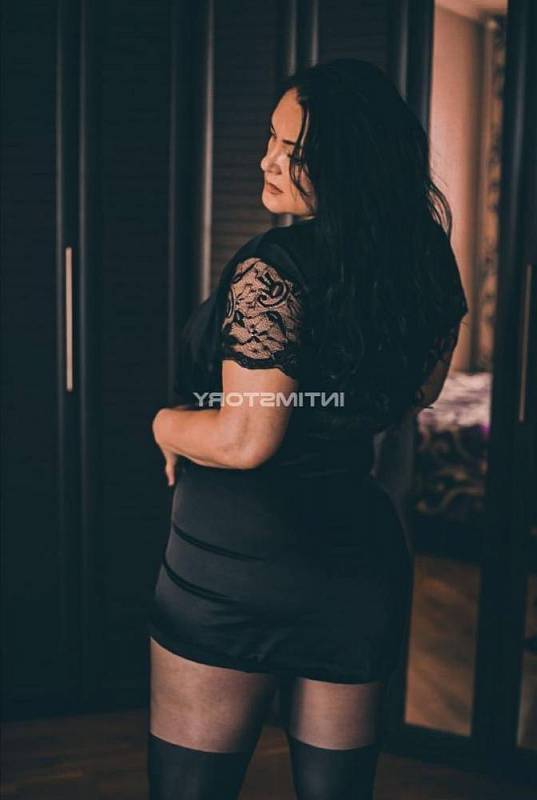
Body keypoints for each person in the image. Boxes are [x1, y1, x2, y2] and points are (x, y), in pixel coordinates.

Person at [146, 58, 469, 799]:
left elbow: (244, 441)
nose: (268, 159)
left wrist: (166, 424)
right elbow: (418, 394)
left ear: (349, 163)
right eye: (271, 138)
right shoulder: (425, 257)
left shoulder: (273, 266)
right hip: (353, 565)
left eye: (292, 150)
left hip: (233, 569)